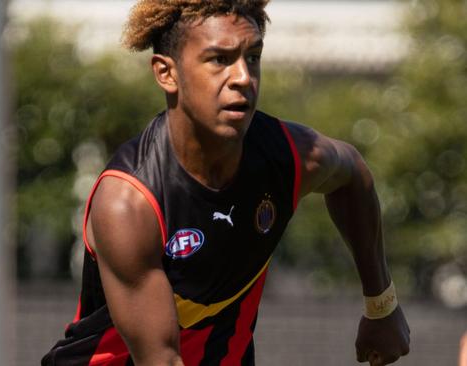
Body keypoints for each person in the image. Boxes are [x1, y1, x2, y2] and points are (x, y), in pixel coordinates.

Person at [42, 0, 410, 365]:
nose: (243, 78)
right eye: (219, 59)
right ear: (166, 73)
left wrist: (381, 305)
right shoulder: (129, 202)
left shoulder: (287, 155)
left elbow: (352, 175)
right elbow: (163, 359)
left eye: (253, 57)